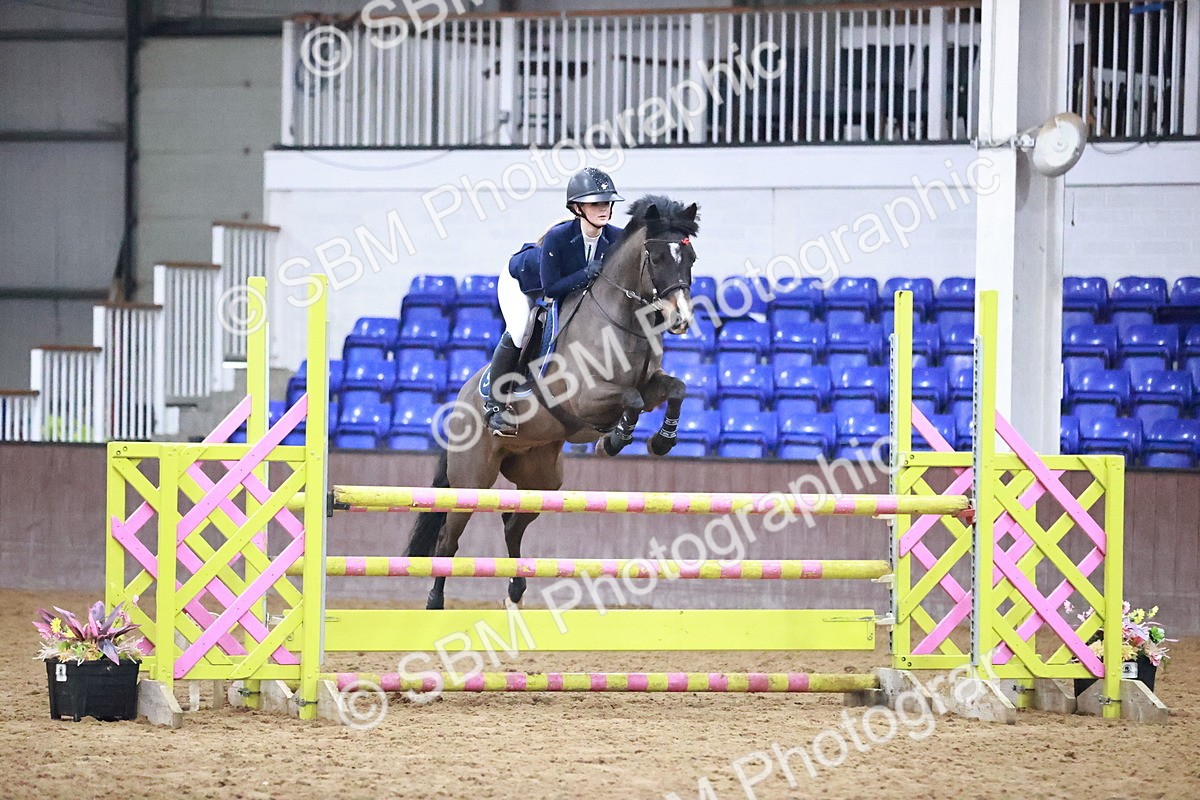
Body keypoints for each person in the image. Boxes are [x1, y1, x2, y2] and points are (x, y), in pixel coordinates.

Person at [483, 167, 624, 436]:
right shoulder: (558, 238)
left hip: (568, 286)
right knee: (520, 330)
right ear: (577, 208)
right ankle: (494, 405)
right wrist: (585, 274)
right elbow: (551, 289)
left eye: (606, 202)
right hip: (521, 282)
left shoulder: (615, 237)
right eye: (595, 203)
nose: (603, 208)